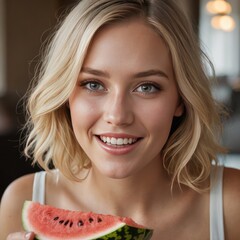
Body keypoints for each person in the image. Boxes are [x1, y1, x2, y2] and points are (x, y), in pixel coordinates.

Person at [1, 0, 240, 239]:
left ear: (180, 99)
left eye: (147, 87)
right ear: (65, 95)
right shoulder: (23, 199)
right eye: (93, 84)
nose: (117, 116)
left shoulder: (232, 202)